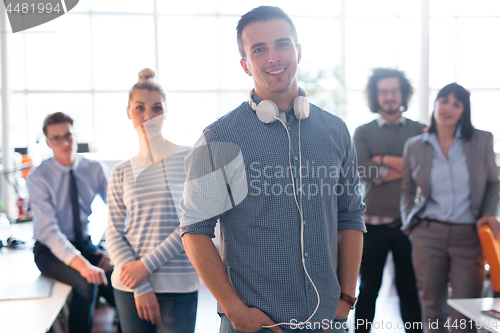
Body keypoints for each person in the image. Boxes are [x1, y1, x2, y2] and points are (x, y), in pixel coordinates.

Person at [179, 6, 366, 333]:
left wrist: (346, 299)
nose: (273, 57)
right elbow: (194, 231)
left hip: (329, 323)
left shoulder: (335, 131)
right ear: (245, 64)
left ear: (298, 51)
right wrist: (236, 312)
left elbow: (351, 216)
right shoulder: (219, 139)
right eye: (259, 49)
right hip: (256, 325)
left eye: (282, 44)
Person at [106, 68, 199, 333]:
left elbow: (191, 225)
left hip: (178, 284)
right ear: (128, 112)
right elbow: (113, 233)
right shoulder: (120, 172)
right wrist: (140, 284)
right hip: (130, 287)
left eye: (157, 108)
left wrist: (145, 267)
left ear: (166, 112)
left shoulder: (188, 159)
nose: (148, 116)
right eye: (139, 108)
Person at [401, 83, 500, 333]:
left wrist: (489, 213)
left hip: (468, 235)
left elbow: (493, 181)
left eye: (457, 104)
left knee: (464, 310)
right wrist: (409, 224)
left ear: (464, 111)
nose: (448, 108)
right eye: (444, 100)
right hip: (427, 233)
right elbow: (407, 190)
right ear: (435, 103)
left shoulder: (481, 139)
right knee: (432, 306)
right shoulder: (414, 145)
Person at [28, 112, 116, 333]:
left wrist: (113, 250)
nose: (65, 142)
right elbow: (49, 232)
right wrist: (84, 265)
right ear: (48, 143)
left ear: (76, 135)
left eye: (68, 135)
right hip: (49, 250)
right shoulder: (38, 177)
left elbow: (118, 211)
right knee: (85, 284)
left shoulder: (94, 169)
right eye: (56, 138)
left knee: (120, 282)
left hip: (84, 243)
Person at [353, 68, 423, 333]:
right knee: (368, 289)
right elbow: (363, 170)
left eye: (394, 90)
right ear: (376, 95)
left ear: (402, 93)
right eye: (384, 91)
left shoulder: (420, 129)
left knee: (409, 290)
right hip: (372, 225)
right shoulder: (362, 131)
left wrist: (380, 159)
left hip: (409, 225)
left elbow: (423, 170)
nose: (390, 96)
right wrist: (406, 166)